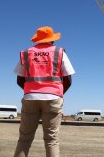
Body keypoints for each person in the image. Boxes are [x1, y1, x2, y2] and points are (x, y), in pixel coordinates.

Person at [14, 26, 75, 157]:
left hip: (30, 98)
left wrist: (32, 91)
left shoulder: (26, 53)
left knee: (24, 138)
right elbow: (68, 79)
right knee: (51, 140)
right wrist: (57, 94)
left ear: (37, 39)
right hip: (53, 98)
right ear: (52, 40)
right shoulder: (59, 52)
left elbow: (19, 79)